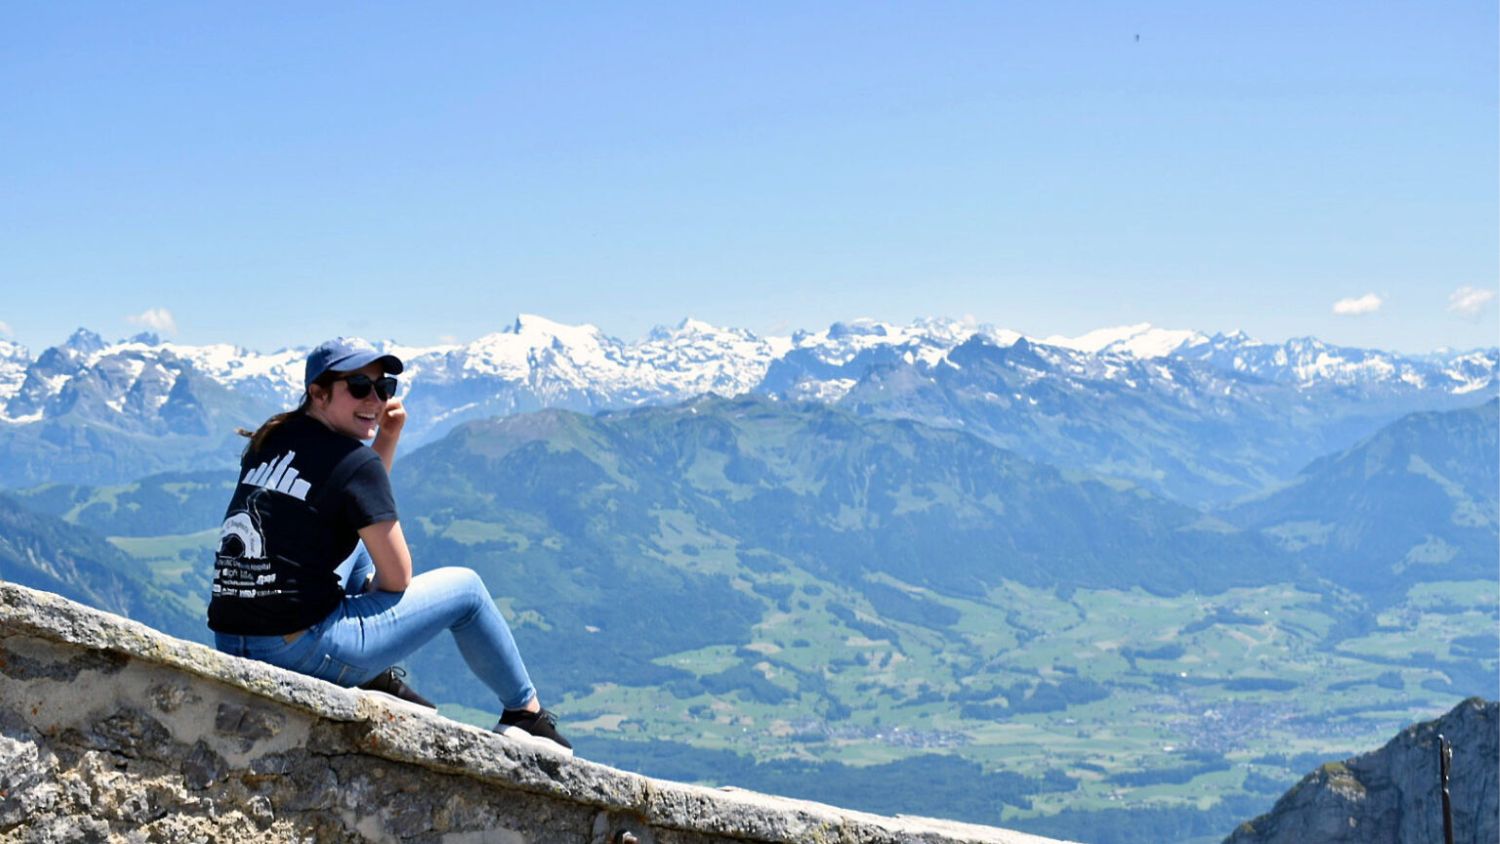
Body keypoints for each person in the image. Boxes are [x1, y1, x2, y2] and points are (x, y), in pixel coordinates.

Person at [207, 337, 570, 754]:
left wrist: (388, 436)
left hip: (234, 639)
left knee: (358, 543)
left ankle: (369, 671)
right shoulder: (353, 461)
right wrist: (375, 619)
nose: (376, 400)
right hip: (298, 652)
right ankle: (525, 714)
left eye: (385, 388)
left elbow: (354, 501)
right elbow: (397, 578)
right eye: (359, 386)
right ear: (318, 392)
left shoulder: (271, 437)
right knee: (466, 589)